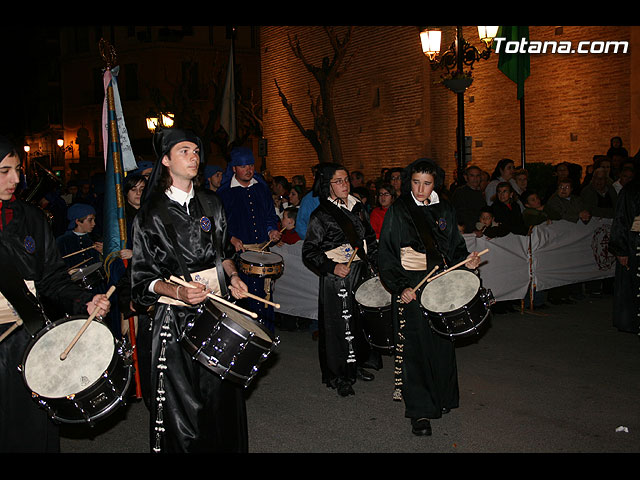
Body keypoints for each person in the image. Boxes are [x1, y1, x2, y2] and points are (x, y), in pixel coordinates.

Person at [131, 127, 250, 453]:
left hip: (219, 315)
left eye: (196, 151)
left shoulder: (213, 204)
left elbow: (223, 254)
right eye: (184, 151)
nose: (194, 157)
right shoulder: (149, 214)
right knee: (185, 412)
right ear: (166, 160)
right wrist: (177, 292)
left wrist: (234, 276)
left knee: (222, 403)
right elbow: (142, 281)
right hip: (176, 324)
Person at [0, 135, 111, 452]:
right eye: (5, 170)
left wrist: (83, 299)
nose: (16, 179)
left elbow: (52, 278)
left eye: (17, 170)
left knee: (31, 432)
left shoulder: (32, 218)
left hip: (27, 341)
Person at [377, 158, 481, 436]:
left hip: (442, 285)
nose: (420, 189)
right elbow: (386, 253)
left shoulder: (445, 207)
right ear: (409, 180)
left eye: (427, 183)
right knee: (416, 349)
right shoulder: (398, 211)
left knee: (443, 343)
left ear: (435, 184)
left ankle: (443, 397)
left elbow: (456, 248)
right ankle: (420, 411)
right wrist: (400, 287)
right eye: (415, 182)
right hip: (412, 286)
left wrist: (466, 261)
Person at [302, 162, 378, 397]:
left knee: (359, 322)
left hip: (359, 271)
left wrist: (376, 261)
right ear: (328, 185)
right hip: (338, 276)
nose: (344, 184)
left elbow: (369, 237)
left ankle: (356, 366)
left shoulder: (357, 206)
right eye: (338, 181)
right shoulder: (321, 214)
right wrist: (332, 267)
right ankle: (340, 375)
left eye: (346, 179)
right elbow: (309, 252)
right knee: (339, 326)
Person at [217, 146, 281, 333]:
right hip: (239, 256)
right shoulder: (224, 194)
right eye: (243, 166)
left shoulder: (261, 188)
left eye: (251, 165)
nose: (248, 170)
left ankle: (266, 336)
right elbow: (219, 225)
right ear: (234, 168)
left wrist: (272, 230)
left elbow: (270, 216)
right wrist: (231, 238)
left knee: (265, 296)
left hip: (262, 253)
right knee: (244, 298)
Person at [608, 163, 640, 334]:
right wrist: (621, 249)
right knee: (631, 287)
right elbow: (622, 219)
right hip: (633, 245)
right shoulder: (631, 191)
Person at [56, 203, 103, 270]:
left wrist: (102, 252)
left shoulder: (95, 239)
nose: (94, 223)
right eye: (90, 220)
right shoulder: (62, 241)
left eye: (94, 220)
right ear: (78, 221)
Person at [451, 165, 486, 233]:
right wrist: (473, 229)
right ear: (466, 177)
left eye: (478, 175)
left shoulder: (480, 193)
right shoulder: (460, 192)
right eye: (472, 176)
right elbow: (461, 215)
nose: (475, 179)